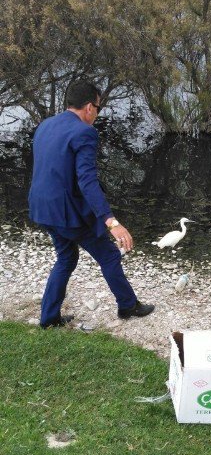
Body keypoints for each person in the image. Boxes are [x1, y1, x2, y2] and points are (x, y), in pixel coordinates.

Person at [28, 80, 154, 328]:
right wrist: (111, 221)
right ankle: (128, 305)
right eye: (98, 107)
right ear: (88, 107)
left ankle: (49, 318)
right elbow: (87, 181)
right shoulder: (84, 132)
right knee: (108, 255)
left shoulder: (45, 125)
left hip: (41, 207)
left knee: (65, 258)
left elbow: (50, 169)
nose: (97, 113)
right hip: (66, 213)